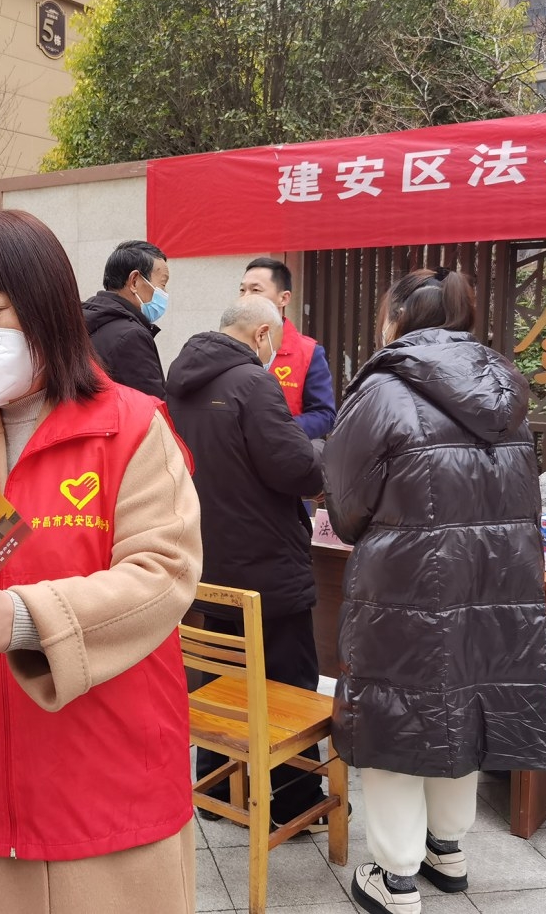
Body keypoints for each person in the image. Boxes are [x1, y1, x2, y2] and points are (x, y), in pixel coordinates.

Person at [0, 210, 202, 913]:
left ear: (46, 307)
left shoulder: (131, 426)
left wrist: (23, 618)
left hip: (109, 785)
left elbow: (163, 575)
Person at [323, 267, 546, 914]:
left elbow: (345, 504)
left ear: (397, 316)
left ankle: (394, 875)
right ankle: (446, 849)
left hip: (407, 581)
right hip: (495, 578)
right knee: (465, 700)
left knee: (395, 714)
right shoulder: (504, 387)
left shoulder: (382, 389)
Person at [165, 296, 328, 828]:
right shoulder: (253, 383)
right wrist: (320, 455)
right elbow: (295, 468)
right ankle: (295, 798)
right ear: (261, 334)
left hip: (209, 560)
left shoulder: (179, 382)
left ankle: (217, 788)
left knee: (221, 679)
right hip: (267, 564)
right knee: (288, 682)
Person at [238, 257, 336, 442]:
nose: (245, 297)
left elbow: (325, 415)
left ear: (283, 298)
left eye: (255, 290)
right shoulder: (228, 345)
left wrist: (277, 429)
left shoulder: (308, 352)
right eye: (242, 290)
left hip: (282, 451)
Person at [82, 239, 170, 398]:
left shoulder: (85, 320)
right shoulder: (131, 337)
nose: (165, 293)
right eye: (163, 284)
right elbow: (150, 406)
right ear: (134, 281)